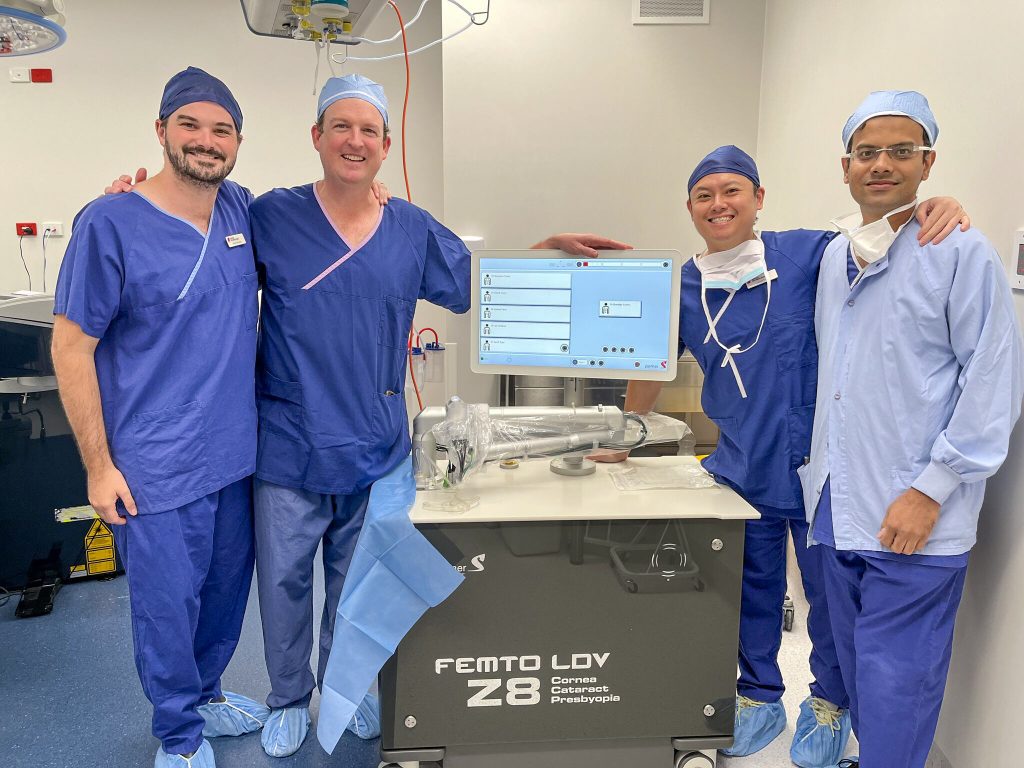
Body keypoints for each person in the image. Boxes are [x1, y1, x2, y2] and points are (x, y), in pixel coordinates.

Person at [583, 145, 969, 767]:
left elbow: (879, 232)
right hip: (742, 463)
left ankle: (830, 703)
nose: (720, 204)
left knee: (829, 596)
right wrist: (626, 432)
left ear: (759, 199)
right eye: (705, 195)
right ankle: (758, 694)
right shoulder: (683, 284)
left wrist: (932, 206)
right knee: (750, 587)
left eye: (733, 191)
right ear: (690, 208)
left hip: (823, 467)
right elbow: (651, 364)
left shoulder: (807, 253)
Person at [51, 67, 269, 768]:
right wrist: (98, 466)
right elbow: (70, 347)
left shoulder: (241, 211)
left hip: (233, 455)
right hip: (153, 464)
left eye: (221, 129)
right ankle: (178, 737)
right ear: (161, 131)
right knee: (166, 608)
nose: (206, 141)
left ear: (237, 141)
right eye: (190, 125)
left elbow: (319, 238)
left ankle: (206, 695)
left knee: (226, 594)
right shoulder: (108, 223)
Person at [801, 90, 1023, 768]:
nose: (882, 164)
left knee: (899, 684)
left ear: (928, 162)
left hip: (916, 514)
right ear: (845, 167)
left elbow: (993, 380)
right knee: (859, 671)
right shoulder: (834, 257)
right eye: (868, 153)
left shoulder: (960, 250)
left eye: (901, 151)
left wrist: (932, 488)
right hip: (837, 505)